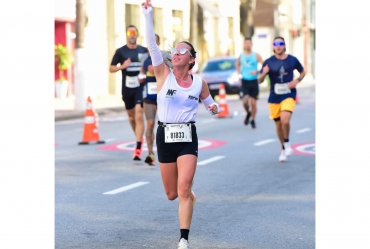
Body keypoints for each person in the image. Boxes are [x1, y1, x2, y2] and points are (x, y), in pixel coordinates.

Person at [141, 1, 220, 248]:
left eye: (182, 51)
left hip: (187, 136)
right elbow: (152, 45)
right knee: (172, 194)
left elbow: (209, 102)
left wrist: (213, 107)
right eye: (174, 50)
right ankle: (187, 195)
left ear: (192, 59)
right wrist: (149, 15)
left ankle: (183, 239)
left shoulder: (199, 83)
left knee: (183, 188)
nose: (176, 52)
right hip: (165, 136)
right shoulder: (162, 74)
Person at [258, 37, 306, 162]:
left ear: (284, 45)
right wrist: (263, 73)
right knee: (278, 125)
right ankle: (284, 148)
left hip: (289, 94)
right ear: (273, 47)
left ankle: (287, 142)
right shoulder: (268, 62)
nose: (278, 46)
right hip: (274, 97)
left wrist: (297, 81)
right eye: (276, 44)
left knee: (285, 120)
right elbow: (259, 80)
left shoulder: (292, 60)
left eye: (280, 43)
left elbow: (303, 72)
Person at [109, 25, 148, 161]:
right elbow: (111, 68)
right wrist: (122, 66)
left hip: (140, 88)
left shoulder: (143, 51)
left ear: (137, 35)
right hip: (127, 89)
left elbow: (151, 64)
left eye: (134, 32)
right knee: (132, 118)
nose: (132, 35)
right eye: (129, 32)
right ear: (126, 35)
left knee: (139, 114)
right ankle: (139, 136)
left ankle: (138, 148)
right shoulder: (121, 52)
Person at [138, 34, 172, 166]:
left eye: (154, 43)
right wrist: (141, 77)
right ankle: (150, 153)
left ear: (158, 43)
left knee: (166, 124)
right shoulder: (145, 60)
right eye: (149, 43)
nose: (151, 46)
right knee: (151, 123)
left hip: (163, 96)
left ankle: (168, 152)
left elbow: (174, 72)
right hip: (149, 96)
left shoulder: (165, 57)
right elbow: (140, 76)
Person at [236, 37, 263, 129]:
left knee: (253, 103)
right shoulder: (241, 56)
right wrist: (239, 73)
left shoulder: (256, 55)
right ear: (244, 45)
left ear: (252, 44)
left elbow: (265, 66)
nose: (247, 45)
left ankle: (253, 120)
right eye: (246, 43)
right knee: (245, 102)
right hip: (245, 81)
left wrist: (257, 72)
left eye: (249, 43)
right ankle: (248, 113)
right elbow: (237, 64)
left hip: (254, 81)